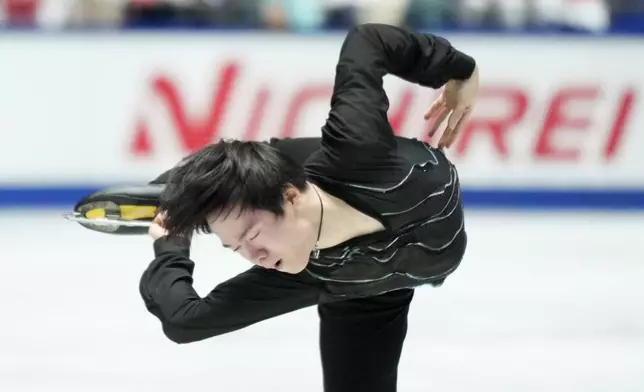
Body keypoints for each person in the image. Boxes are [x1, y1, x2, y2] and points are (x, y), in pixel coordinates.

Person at [139, 22, 479, 392]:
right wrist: (169, 245)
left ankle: (180, 184)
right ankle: (176, 189)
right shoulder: (297, 272)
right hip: (365, 293)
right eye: (235, 248)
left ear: (289, 197)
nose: (255, 257)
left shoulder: (356, 146)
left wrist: (460, 69)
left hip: (346, 176)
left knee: (275, 159)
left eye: (251, 236)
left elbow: (368, 41)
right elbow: (184, 321)